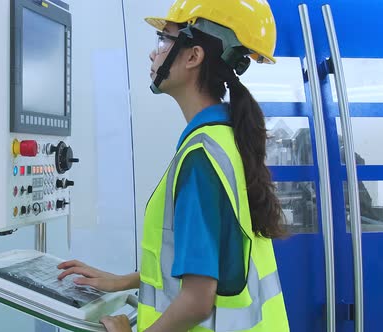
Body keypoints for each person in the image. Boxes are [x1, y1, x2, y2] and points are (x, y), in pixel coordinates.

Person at [57, 0, 290, 331]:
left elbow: (197, 301)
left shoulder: (202, 157)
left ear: (194, 56)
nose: (154, 53)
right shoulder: (225, 140)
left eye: (163, 39)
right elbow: (211, 263)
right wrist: (122, 281)